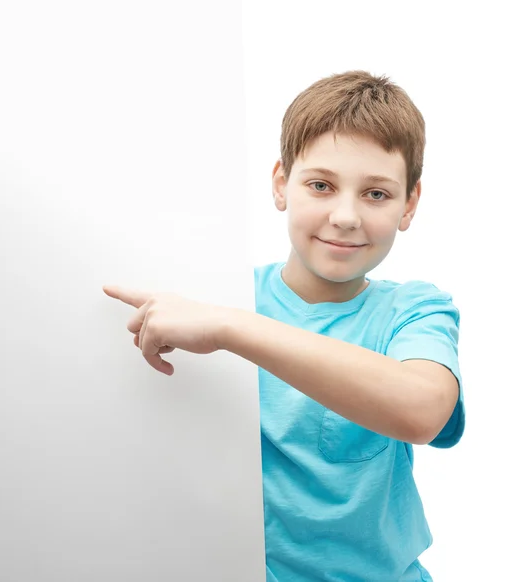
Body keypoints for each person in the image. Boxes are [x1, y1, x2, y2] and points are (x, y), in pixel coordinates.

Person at [103, 70, 465, 582]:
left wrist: (231, 330)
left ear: (409, 204)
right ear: (281, 184)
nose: (344, 216)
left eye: (377, 194)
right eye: (321, 185)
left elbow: (422, 409)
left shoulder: (416, 310)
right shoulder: (218, 296)